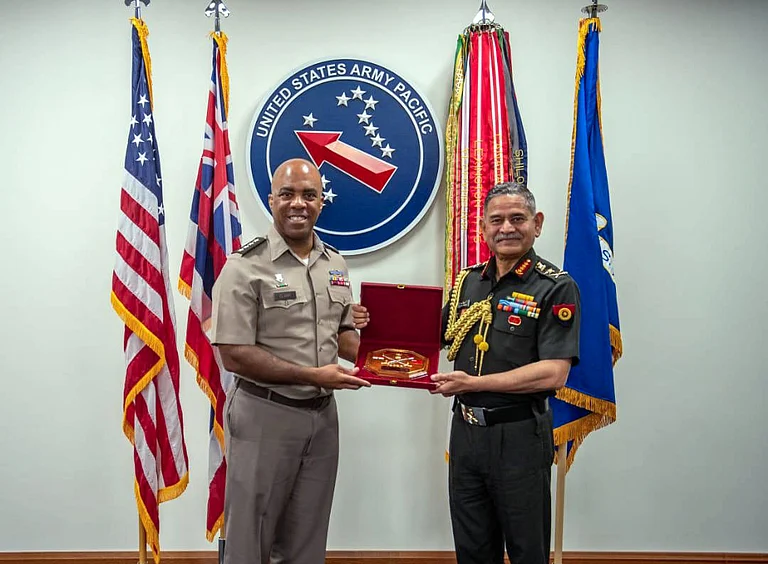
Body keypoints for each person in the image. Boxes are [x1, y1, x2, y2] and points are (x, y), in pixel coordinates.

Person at [353, 181, 581, 564]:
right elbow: (426, 338)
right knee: (473, 549)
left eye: (517, 218)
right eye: (496, 220)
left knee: (528, 550)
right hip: (466, 434)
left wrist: (475, 384)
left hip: (520, 435)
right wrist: (371, 324)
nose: (506, 228)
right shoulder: (468, 282)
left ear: (537, 224)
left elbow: (553, 373)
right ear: (483, 228)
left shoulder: (555, 288)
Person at [211, 158, 370, 564]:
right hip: (266, 413)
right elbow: (234, 354)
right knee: (251, 536)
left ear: (321, 202)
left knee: (307, 537)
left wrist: (386, 344)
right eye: (287, 194)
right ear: (271, 199)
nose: (298, 203)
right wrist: (314, 374)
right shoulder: (245, 266)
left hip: (322, 419)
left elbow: (345, 339)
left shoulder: (334, 262)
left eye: (309, 195)